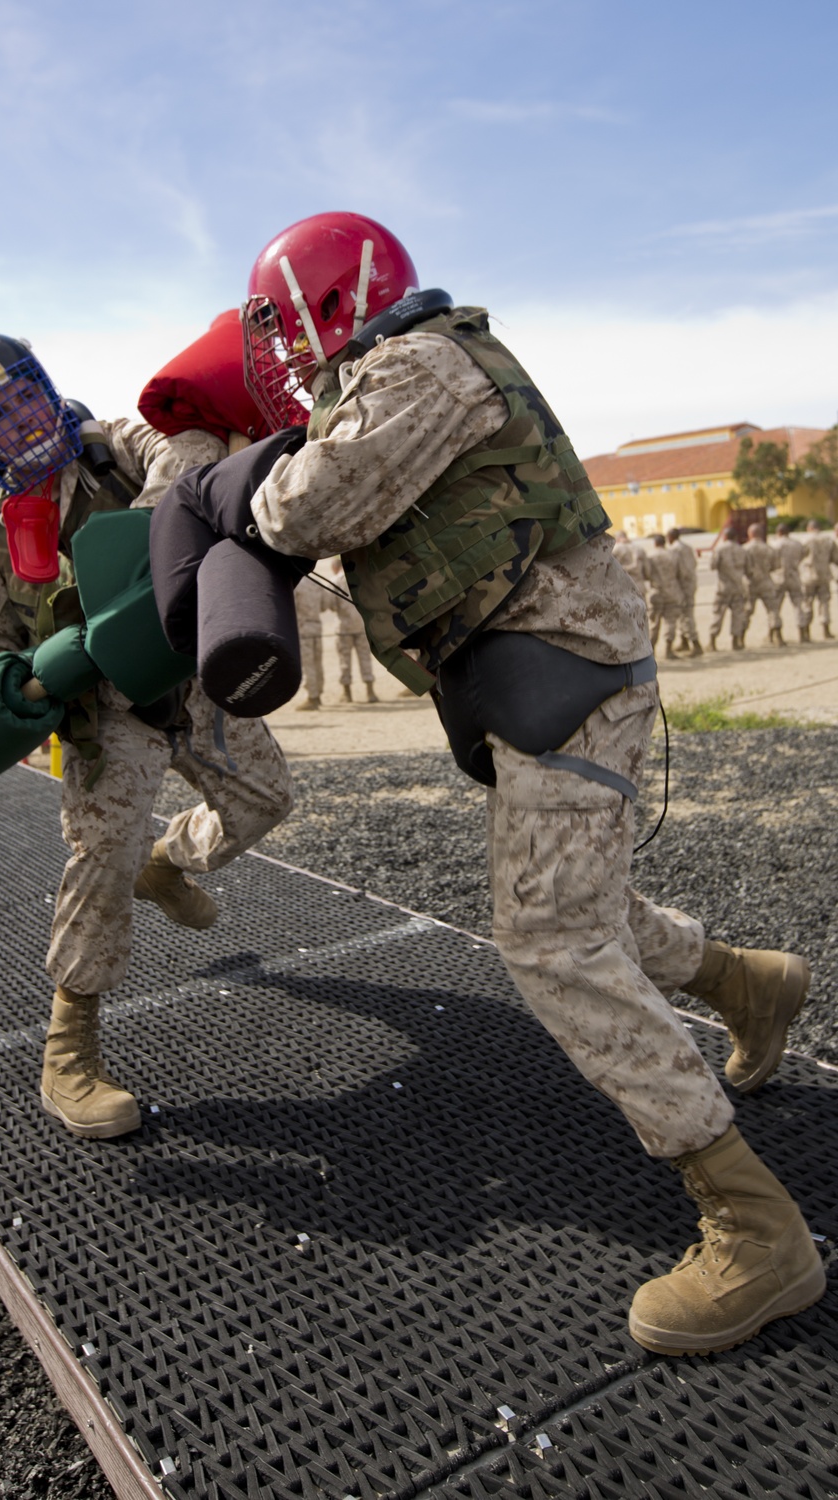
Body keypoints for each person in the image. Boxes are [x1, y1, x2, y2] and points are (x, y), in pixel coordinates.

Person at [237, 211, 825, 1355]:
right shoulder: (411, 367)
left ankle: (757, 1233)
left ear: (335, 303)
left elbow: (304, 511)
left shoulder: (420, 366)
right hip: (542, 671)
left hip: (566, 673)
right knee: (582, 909)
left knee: (551, 939)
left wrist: (248, 485)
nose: (284, 352)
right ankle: (747, 984)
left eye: (285, 325)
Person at [0, 331, 293, 1140]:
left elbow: (188, 446)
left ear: (44, 387)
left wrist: (143, 540)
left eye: (22, 395)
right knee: (101, 855)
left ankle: (167, 865)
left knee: (266, 801)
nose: (17, 419)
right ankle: (70, 1056)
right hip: (101, 713)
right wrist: (15, 694)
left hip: (188, 674)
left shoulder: (113, 445)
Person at [324, 557, 378, 703]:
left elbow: (330, 604)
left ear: (335, 567)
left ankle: (347, 693)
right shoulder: (361, 578)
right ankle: (370, 691)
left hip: (344, 628)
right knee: (365, 659)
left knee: (344, 661)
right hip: (362, 626)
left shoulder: (335, 581)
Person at [642, 533, 684, 660]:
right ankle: (668, 649)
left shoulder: (650, 555)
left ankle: (651, 650)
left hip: (657, 592)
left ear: (655, 543)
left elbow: (647, 574)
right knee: (671, 621)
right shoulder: (673, 554)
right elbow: (680, 572)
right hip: (672, 591)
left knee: (654, 622)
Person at [708, 527, 749, 651]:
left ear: (724, 537)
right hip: (738, 587)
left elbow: (712, 566)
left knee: (718, 614)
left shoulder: (720, 549)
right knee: (738, 615)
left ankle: (712, 641)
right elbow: (748, 568)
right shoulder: (742, 549)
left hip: (723, 588)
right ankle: (735, 642)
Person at [743, 523, 784, 646]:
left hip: (750, 583)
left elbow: (741, 567)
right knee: (773, 609)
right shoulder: (769, 549)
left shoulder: (745, 549)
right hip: (766, 582)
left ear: (750, 534)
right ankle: (777, 636)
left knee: (747, 611)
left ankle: (740, 638)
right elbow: (776, 566)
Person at [799, 519, 838, 641]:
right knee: (824, 603)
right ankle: (826, 630)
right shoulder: (829, 540)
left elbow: (799, 557)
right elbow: (835, 559)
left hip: (808, 576)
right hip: (824, 576)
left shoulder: (805, 540)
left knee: (807, 603)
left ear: (809, 528)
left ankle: (806, 631)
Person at [666, 528, 702, 656]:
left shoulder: (673, 549)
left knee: (686, 615)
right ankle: (684, 641)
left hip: (682, 585)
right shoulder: (687, 547)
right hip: (691, 583)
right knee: (684, 613)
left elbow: (673, 568)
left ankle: (696, 644)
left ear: (670, 537)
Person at [772, 524, 809, 642]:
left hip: (779, 577)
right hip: (794, 576)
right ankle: (802, 632)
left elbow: (771, 561)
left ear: (779, 532)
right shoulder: (797, 544)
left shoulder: (776, 544)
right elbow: (804, 554)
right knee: (798, 605)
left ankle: (777, 634)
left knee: (775, 607)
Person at [293, 575, 325, 709]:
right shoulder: (316, 582)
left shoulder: (296, 584)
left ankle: (313, 697)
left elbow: (292, 606)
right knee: (317, 662)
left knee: (308, 663)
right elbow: (324, 605)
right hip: (317, 625)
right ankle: (318, 691)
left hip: (303, 626)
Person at [611, 530, 647, 599]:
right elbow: (647, 570)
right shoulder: (639, 548)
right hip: (639, 586)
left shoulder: (615, 549)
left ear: (617, 538)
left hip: (623, 587)